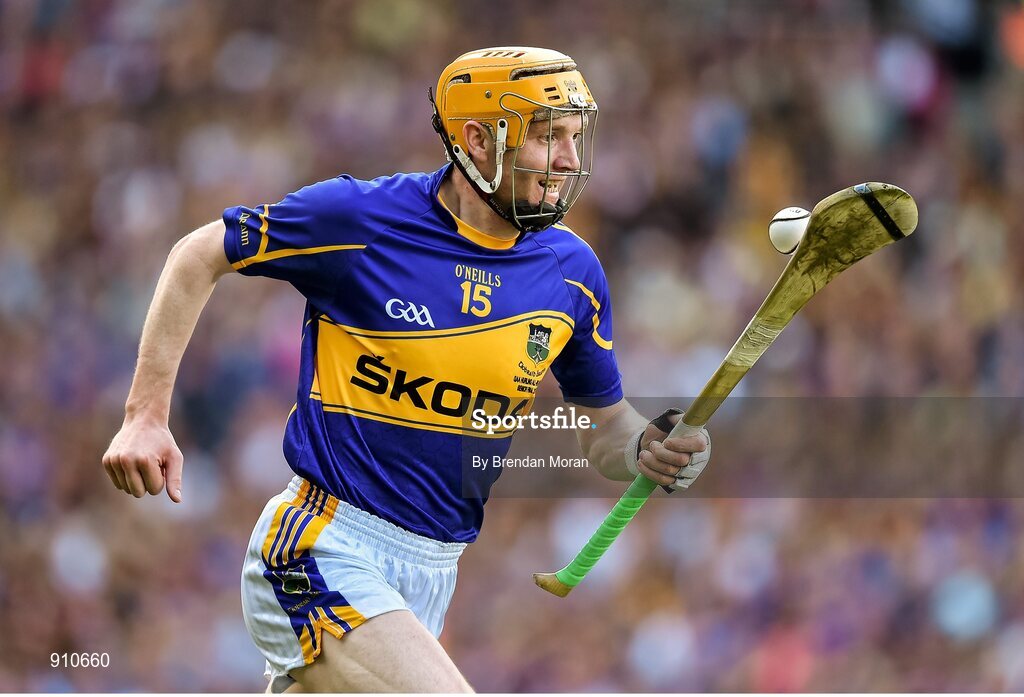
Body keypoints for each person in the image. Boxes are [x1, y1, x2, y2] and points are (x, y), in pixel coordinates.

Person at [102, 46, 711, 693]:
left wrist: (648, 445)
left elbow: (604, 429)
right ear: (476, 139)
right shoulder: (360, 219)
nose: (567, 158)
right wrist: (145, 414)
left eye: (572, 136)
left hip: (432, 574)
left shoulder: (572, 274)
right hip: (323, 545)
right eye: (545, 136)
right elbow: (200, 253)